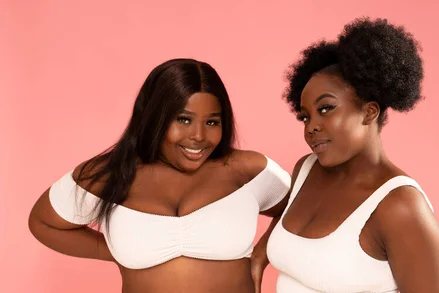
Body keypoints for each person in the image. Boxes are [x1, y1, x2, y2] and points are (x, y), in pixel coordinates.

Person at [28, 58, 291, 293]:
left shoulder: (247, 170)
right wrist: (114, 251)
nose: (198, 136)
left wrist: (259, 257)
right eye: (183, 120)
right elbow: (43, 222)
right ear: (154, 118)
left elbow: (297, 207)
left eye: (212, 122)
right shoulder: (111, 174)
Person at [266, 18, 439, 292]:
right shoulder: (306, 169)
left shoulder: (400, 206)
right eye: (305, 116)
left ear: (369, 112)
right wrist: (258, 256)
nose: (311, 127)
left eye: (326, 108)